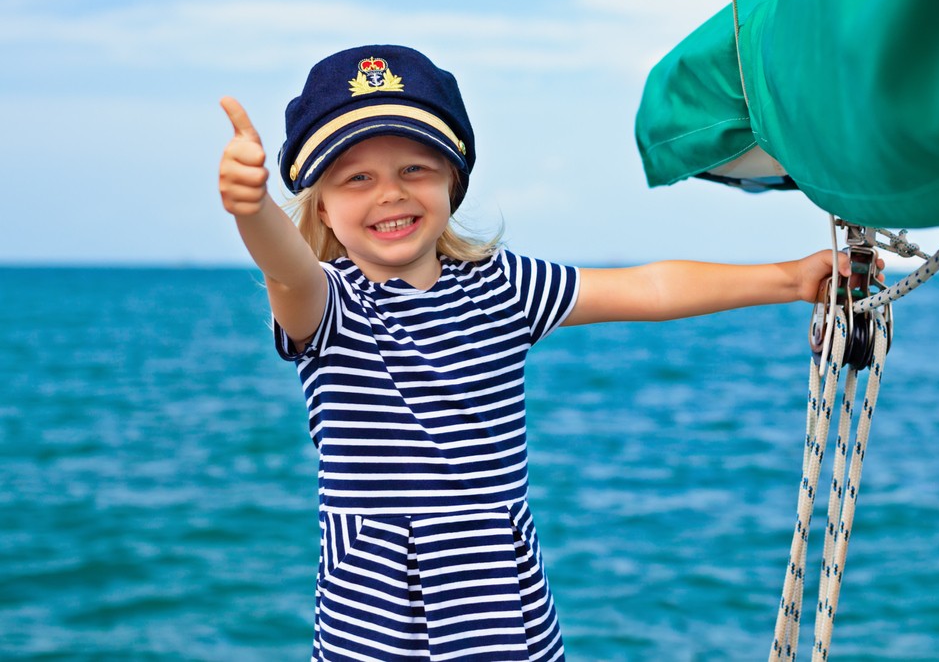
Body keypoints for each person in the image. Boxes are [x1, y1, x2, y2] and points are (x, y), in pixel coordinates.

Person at [217, 44, 849, 662]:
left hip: (504, 609)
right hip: (377, 619)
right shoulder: (332, 309)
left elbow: (646, 288)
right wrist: (255, 211)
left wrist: (790, 279)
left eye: (415, 168)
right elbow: (290, 273)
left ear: (452, 181)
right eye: (357, 178)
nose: (390, 193)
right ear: (322, 205)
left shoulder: (505, 286)